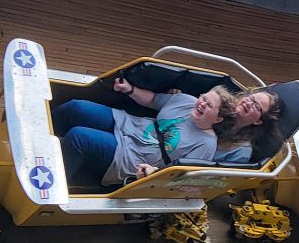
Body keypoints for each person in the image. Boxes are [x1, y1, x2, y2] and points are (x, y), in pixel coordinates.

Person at [51, 79, 234, 185]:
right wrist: (130, 89)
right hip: (130, 124)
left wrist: (154, 173)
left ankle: (53, 184)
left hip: (133, 157)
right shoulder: (186, 101)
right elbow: (153, 100)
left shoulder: (206, 145)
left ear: (218, 119)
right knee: (77, 108)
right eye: (204, 98)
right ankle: (45, 134)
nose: (201, 103)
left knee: (79, 137)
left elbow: (181, 178)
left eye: (209, 105)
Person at [213, 87, 283, 163]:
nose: (249, 104)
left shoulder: (242, 150)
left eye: (256, 106)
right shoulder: (217, 104)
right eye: (251, 98)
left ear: (258, 121)